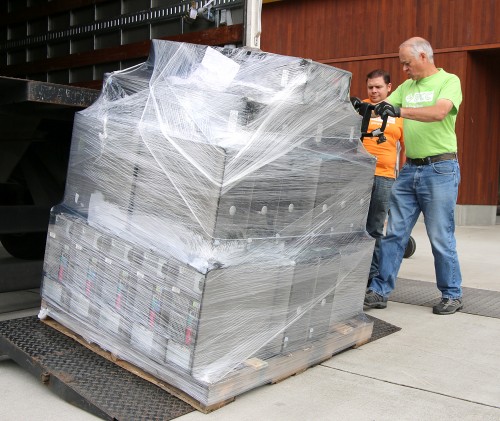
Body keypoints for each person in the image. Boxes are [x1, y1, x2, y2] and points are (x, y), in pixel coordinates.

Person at [364, 37, 463, 315]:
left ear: (422, 56)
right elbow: (381, 107)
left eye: (406, 63)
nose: (404, 69)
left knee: (440, 236)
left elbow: (439, 113)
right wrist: (362, 108)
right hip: (409, 170)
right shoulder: (407, 87)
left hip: (440, 169)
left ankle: (452, 294)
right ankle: (379, 290)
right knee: (394, 233)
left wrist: (400, 110)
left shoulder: (449, 81)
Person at [362, 70, 405, 287]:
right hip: (358, 176)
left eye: (378, 87)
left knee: (375, 227)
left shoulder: (397, 114)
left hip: (385, 177)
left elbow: (405, 148)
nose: (374, 91)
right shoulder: (361, 108)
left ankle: (372, 276)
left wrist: (402, 175)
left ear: (389, 87)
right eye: (370, 87)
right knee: (355, 225)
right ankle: (354, 272)